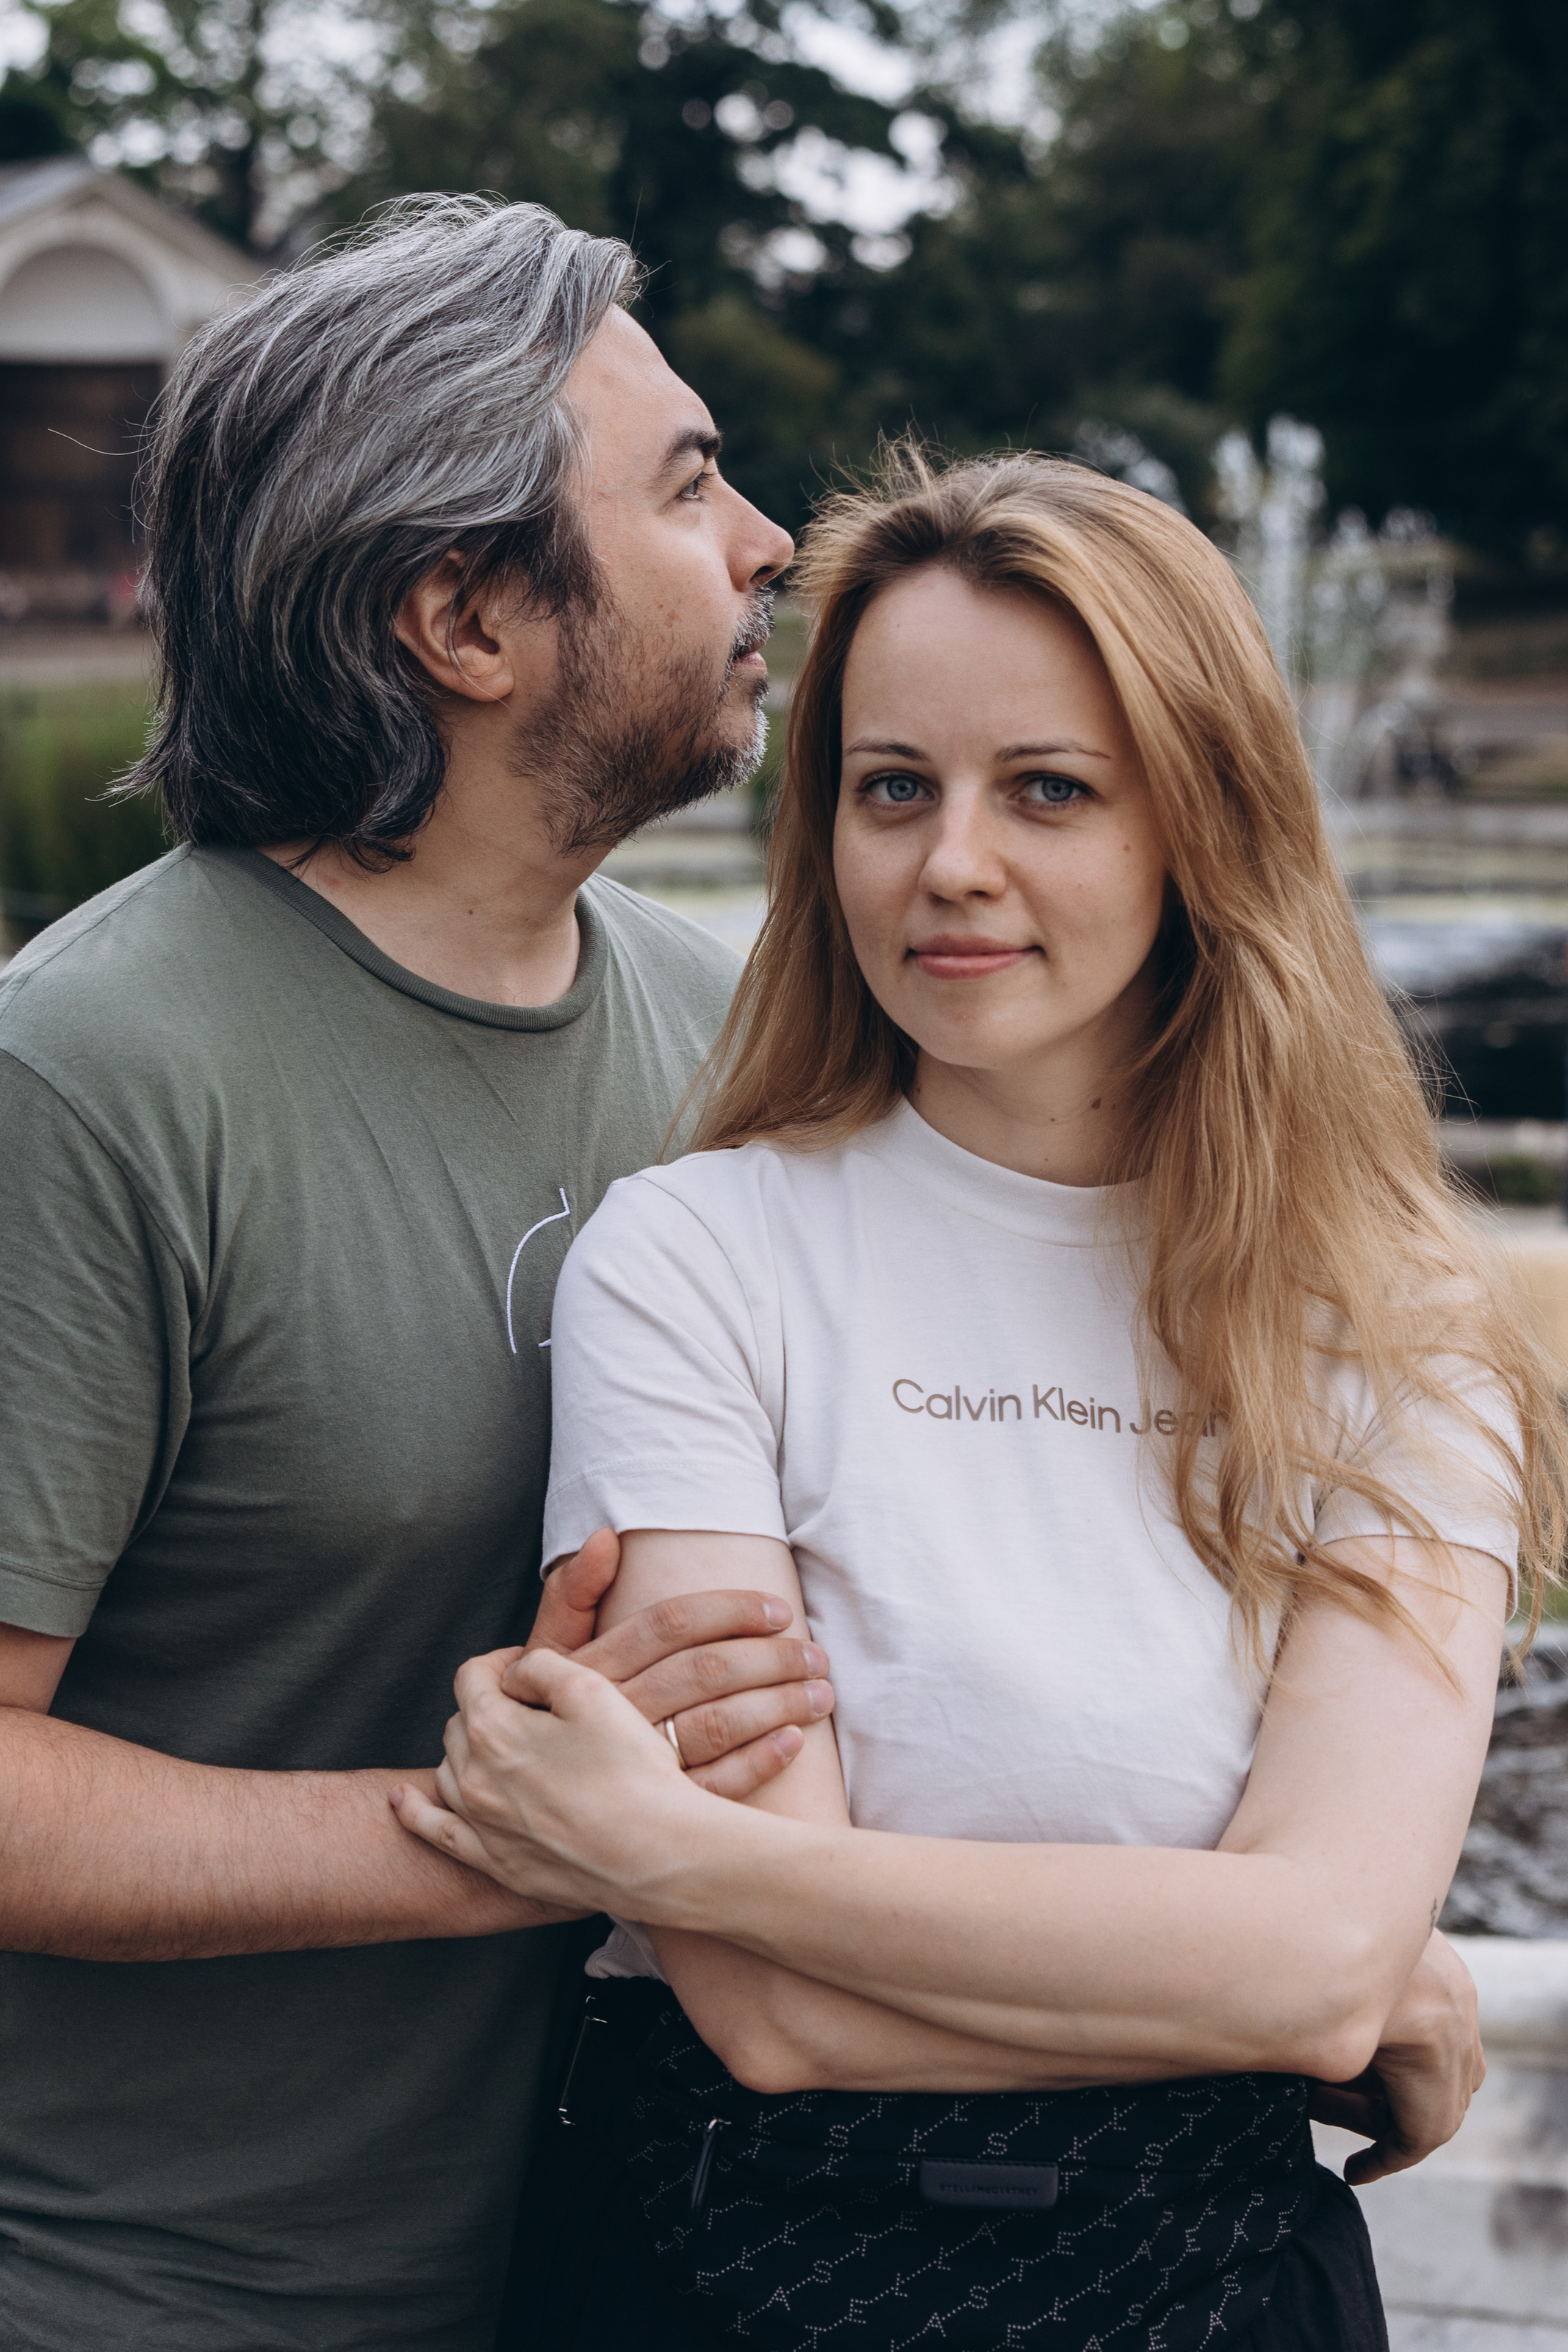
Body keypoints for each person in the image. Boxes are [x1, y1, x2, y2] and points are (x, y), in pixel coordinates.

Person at [0, 195, 831, 2351]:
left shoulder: (721, 1026)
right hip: (166, 2303)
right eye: (691, 484)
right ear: (462, 612)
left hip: (638, 2275)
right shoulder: (95, 1079)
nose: (775, 542)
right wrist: (502, 1830)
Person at [392, 448, 1565, 2350]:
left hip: (1213, 2297)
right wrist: (1248, 1992)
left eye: (1049, 791)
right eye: (890, 788)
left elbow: (1328, 1961)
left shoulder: (1399, 1316)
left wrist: (676, 1856)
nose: (951, 863)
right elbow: (774, 2022)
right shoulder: (694, 1260)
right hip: (737, 2274)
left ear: (1200, 825)